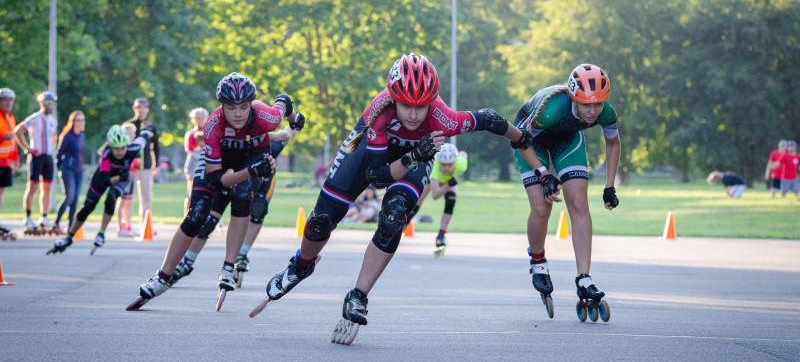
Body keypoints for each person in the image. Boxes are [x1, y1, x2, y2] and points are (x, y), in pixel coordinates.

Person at [251, 53, 532, 345]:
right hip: (374, 156)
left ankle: (358, 295)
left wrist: (520, 137)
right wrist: (413, 155)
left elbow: (489, 119)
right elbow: (378, 178)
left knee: (394, 217)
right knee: (321, 221)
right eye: (406, 106)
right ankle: (301, 265)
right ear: (393, 99)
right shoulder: (380, 112)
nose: (413, 114)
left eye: (421, 106)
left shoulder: (442, 117)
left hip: (416, 156)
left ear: (431, 102)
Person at [126, 72, 303, 310]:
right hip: (221, 165)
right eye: (231, 107)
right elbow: (217, 180)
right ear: (222, 106)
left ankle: (229, 266)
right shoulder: (212, 125)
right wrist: (250, 172)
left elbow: (284, 99)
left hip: (253, 156)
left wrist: (294, 117)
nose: (238, 114)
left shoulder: (267, 117)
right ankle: (162, 277)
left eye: (243, 107)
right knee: (197, 213)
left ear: (251, 104)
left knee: (243, 192)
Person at [511, 63, 620, 320]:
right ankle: (538, 262)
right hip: (528, 141)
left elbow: (613, 144)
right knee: (541, 206)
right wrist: (544, 174)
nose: (593, 112)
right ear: (573, 98)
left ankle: (584, 278)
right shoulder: (551, 110)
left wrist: (609, 185)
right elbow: (521, 140)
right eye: (586, 105)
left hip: (566, 139)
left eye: (598, 104)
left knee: (579, 204)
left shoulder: (606, 112)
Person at [169, 125, 300, 287]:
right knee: (208, 220)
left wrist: (295, 118)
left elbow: (289, 132)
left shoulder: (270, 146)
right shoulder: (228, 145)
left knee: (258, 209)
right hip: (230, 178)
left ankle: (242, 254)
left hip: (260, 180)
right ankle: (187, 262)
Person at [46, 124, 155, 255]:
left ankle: (101, 233)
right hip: (104, 177)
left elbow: (143, 137)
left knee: (111, 197)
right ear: (110, 146)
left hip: (121, 179)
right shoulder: (107, 154)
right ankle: (68, 238)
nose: (120, 152)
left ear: (127, 145)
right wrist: (123, 175)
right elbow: (105, 180)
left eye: (122, 148)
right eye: (116, 149)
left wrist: (149, 130)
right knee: (88, 207)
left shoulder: (134, 148)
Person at [407, 143, 467, 253]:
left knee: (451, 201)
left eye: (450, 165)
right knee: (418, 200)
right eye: (443, 164)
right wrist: (448, 184)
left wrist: (449, 184)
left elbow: (463, 155)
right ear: (439, 162)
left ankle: (441, 234)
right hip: (435, 181)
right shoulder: (435, 168)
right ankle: (404, 223)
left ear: (455, 162)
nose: (446, 168)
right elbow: (435, 195)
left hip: (449, 181)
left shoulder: (461, 165)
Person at [14, 91, 59, 233]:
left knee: (47, 188)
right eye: (46, 103)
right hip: (36, 156)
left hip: (48, 156)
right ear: (41, 104)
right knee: (33, 186)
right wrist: (27, 148)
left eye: (51, 103)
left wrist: (52, 149)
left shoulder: (53, 120)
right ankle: (28, 216)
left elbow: (54, 136)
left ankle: (44, 216)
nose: (49, 106)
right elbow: (18, 131)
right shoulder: (35, 118)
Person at [117, 97, 160, 230]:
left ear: (147, 109)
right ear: (134, 108)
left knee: (146, 198)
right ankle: (126, 225)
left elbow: (156, 146)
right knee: (127, 198)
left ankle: (145, 227)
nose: (141, 109)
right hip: (130, 168)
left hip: (146, 167)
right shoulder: (128, 125)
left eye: (144, 107)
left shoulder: (151, 126)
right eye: (138, 107)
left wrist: (156, 165)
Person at [54, 111, 86, 233]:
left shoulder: (82, 136)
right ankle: (56, 223)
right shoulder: (67, 136)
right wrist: (60, 168)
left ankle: (70, 225)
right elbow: (59, 153)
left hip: (79, 171)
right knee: (69, 197)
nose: (81, 122)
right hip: (67, 170)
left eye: (82, 120)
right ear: (73, 122)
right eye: (78, 120)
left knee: (75, 199)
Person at [0, 88, 21, 236]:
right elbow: (5, 137)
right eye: (5, 100)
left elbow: (12, 141)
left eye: (11, 100)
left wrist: (16, 159)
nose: (9, 103)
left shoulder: (11, 118)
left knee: (1, 193)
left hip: (6, 162)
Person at [183, 108, 208, 212]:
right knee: (191, 191)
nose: (200, 120)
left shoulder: (209, 132)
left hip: (207, 164)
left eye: (202, 118)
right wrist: (201, 155)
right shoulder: (190, 134)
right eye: (197, 118)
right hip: (193, 164)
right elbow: (189, 150)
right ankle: (188, 213)